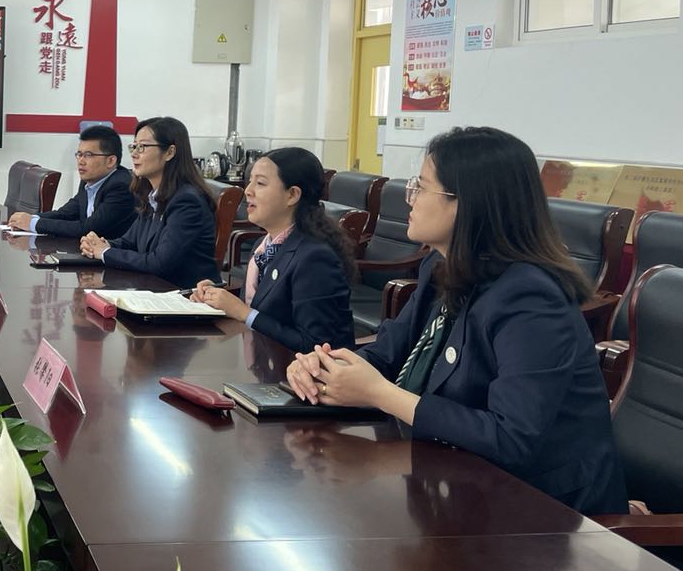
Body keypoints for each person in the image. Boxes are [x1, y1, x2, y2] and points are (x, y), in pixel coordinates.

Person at [285, 126, 626, 514]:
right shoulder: (443, 264)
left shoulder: (531, 298)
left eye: (421, 187)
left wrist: (380, 394)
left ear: (466, 203)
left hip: (543, 512)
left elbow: (511, 438)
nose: (409, 198)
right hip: (454, 482)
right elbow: (387, 354)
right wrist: (323, 368)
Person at [190, 147, 355, 352]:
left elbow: (315, 345)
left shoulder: (315, 258)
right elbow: (260, 307)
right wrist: (216, 299)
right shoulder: (265, 245)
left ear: (292, 195)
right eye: (250, 181)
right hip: (261, 359)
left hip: (305, 369)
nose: (248, 190)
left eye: (260, 183)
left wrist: (242, 312)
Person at [78, 116, 218, 289]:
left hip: (184, 295)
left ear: (169, 152)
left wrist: (105, 252)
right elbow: (129, 242)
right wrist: (98, 245)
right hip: (153, 289)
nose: (134, 154)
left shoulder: (186, 201)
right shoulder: (152, 195)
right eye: (134, 146)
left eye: (142, 147)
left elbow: (159, 263)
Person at [7, 125, 135, 240]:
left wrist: (33, 224)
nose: (81, 161)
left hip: (114, 257)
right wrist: (30, 219)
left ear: (111, 161)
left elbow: (89, 229)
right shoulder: (88, 182)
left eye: (88, 155)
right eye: (79, 154)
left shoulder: (121, 187)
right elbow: (65, 214)